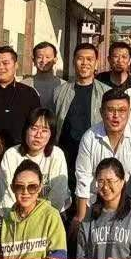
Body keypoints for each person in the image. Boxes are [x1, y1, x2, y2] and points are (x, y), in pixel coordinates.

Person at [72, 87, 131, 230]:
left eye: (122, 110)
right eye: (110, 110)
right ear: (101, 112)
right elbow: (83, 179)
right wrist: (81, 218)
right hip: (95, 205)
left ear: (129, 112)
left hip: (127, 207)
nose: (116, 116)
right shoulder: (89, 138)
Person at [0, 108, 71, 215]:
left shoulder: (57, 155)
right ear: (26, 130)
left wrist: (38, 219)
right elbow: (7, 198)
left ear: (51, 135)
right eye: (34, 128)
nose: (38, 135)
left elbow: (57, 196)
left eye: (44, 130)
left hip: (51, 214)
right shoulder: (11, 155)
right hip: (18, 214)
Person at [51, 43, 106, 178]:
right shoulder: (59, 92)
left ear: (96, 63)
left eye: (89, 59)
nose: (84, 63)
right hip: (65, 158)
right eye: (80, 59)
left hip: (94, 157)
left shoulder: (105, 93)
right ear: (73, 62)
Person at [0, 45, 42, 149]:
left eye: (5, 63)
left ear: (16, 65)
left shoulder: (29, 93)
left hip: (20, 151)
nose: (0, 67)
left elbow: (36, 125)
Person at [27, 41, 62, 108]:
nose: (43, 60)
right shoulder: (24, 85)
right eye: (39, 57)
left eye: (48, 57)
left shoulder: (63, 86)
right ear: (33, 60)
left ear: (55, 60)